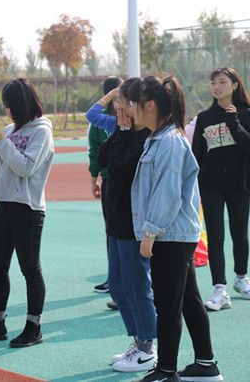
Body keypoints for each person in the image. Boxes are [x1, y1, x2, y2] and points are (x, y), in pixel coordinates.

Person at [131, 76, 223, 382]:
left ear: (151, 105)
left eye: (135, 104)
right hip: (175, 234)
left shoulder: (168, 142)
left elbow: (167, 192)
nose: (132, 111)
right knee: (187, 300)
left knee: (167, 304)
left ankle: (166, 370)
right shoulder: (161, 138)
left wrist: (150, 231)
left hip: (170, 235)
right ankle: (206, 363)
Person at [0, 78, 54, 347]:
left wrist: (2, 142)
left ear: (22, 104)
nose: (7, 112)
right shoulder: (10, 129)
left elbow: (26, 168)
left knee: (30, 268)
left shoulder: (42, 131)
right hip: (3, 204)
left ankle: (33, 326)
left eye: (10, 106)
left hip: (28, 208)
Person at [97, 78, 157, 373]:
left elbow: (119, 170)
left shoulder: (145, 138)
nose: (117, 107)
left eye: (122, 102)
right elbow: (103, 159)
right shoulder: (125, 132)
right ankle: (138, 341)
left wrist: (122, 134)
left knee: (136, 286)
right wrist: (120, 131)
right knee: (118, 286)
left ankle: (147, 348)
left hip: (133, 223)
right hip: (115, 221)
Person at [192, 67, 250, 310]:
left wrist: (233, 120)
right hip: (211, 186)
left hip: (239, 185)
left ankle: (241, 277)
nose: (217, 87)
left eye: (222, 82)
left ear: (235, 84)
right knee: (216, 237)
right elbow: (197, 154)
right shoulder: (204, 118)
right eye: (213, 82)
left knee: (240, 234)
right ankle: (219, 289)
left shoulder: (246, 114)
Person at [87, 77, 121, 299]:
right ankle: (115, 279)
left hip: (122, 183)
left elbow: (94, 152)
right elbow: (95, 151)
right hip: (111, 181)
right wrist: (95, 179)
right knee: (113, 231)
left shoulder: (131, 120)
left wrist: (94, 179)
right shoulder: (107, 123)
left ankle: (120, 280)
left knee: (119, 232)